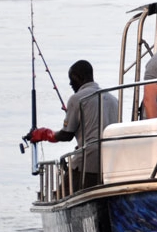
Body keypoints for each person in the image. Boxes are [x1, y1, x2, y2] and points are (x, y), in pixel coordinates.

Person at [29, 60, 118, 189]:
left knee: (59, 195)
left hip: (87, 162)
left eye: (71, 79)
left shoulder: (77, 98)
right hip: (111, 163)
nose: (70, 83)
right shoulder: (113, 100)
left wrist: (44, 134)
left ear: (79, 77)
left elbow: (67, 135)